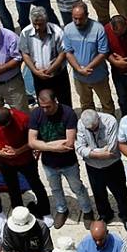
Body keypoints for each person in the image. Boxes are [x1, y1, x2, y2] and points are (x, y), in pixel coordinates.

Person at [29, 90, 95, 229]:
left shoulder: (68, 113)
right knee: (55, 189)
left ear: (55, 101)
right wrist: (53, 147)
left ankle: (87, 211)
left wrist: (44, 145)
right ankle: (61, 210)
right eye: (43, 107)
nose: (45, 110)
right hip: (48, 163)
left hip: (68, 163)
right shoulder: (36, 114)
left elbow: (69, 143)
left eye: (48, 106)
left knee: (77, 187)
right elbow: (32, 142)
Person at [63, 3, 114, 115]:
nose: (77, 22)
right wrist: (79, 69)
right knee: (86, 104)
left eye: (80, 19)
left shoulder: (98, 29)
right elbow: (68, 52)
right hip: (79, 78)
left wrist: (87, 68)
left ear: (87, 15)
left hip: (98, 76)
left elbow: (103, 52)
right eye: (74, 18)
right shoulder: (68, 29)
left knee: (107, 103)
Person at [18, 6, 70, 109]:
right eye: (35, 24)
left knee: (64, 102)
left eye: (40, 24)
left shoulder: (57, 32)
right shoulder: (26, 33)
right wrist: (35, 71)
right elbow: (25, 54)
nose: (37, 27)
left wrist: (50, 70)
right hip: (38, 76)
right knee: (44, 103)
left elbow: (62, 53)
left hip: (58, 75)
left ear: (46, 21)